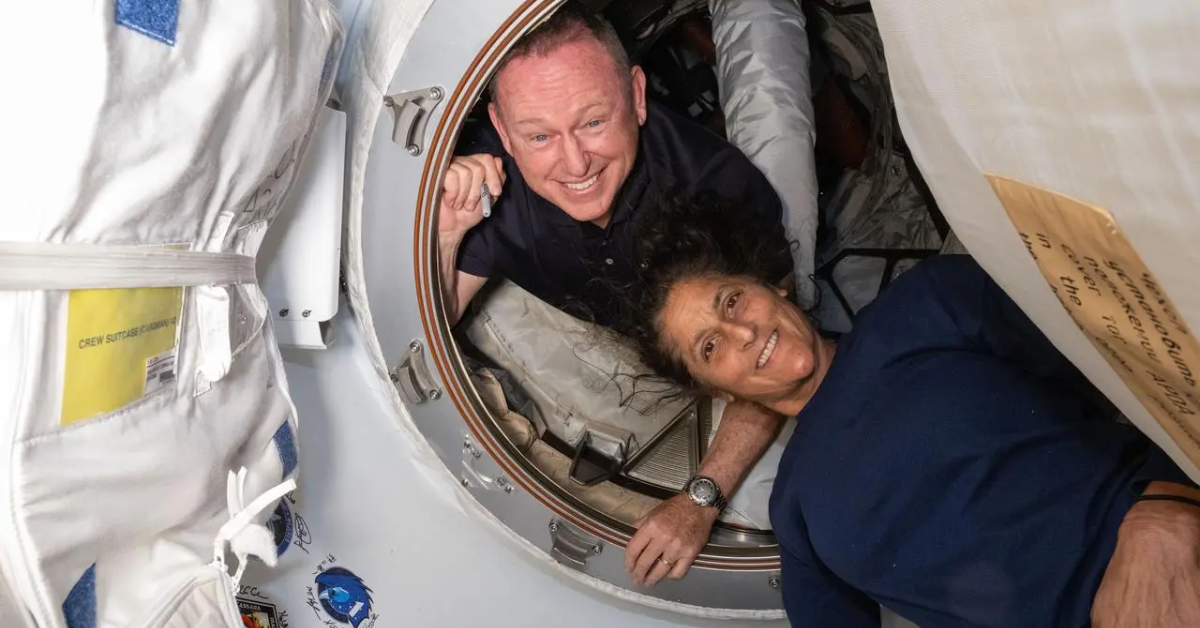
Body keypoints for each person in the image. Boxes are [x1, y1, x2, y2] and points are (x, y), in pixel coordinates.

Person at [621, 194, 1200, 627]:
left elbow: (1140, 359)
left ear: (776, 287)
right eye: (710, 346)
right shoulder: (794, 512)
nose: (742, 331)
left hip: (1154, 543)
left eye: (732, 300)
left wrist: (1167, 506)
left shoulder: (927, 306)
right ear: (718, 390)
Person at [436, 3, 797, 585]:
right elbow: (435, 320)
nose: (574, 162)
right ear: (502, 130)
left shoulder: (717, 189)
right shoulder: (491, 187)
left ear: (635, 94)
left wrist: (699, 498)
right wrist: (449, 230)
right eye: (539, 135)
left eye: (594, 123)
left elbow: (779, 356)